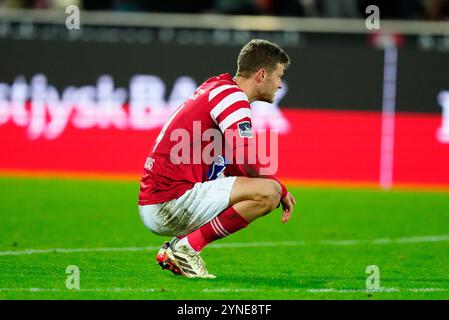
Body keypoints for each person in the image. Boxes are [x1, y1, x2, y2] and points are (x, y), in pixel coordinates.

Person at [138, 39, 296, 278]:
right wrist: (280, 189)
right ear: (262, 75)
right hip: (169, 201)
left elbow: (234, 163)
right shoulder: (233, 98)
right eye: (279, 75)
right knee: (268, 193)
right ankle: (187, 248)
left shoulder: (217, 87)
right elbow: (247, 159)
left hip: (157, 198)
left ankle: (177, 246)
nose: (280, 84)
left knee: (248, 181)